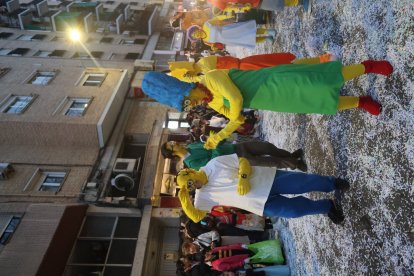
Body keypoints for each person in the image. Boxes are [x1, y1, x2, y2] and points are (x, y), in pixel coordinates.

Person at [141, 60, 393, 149]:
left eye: (188, 99)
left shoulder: (212, 78)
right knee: (317, 102)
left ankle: (367, 66)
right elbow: (238, 119)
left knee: (320, 79)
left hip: (276, 80)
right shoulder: (214, 102)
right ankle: (360, 102)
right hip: (275, 100)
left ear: (188, 87)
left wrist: (225, 129)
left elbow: (237, 100)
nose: (194, 104)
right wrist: (220, 137)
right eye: (188, 105)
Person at [176, 154, 350, 224]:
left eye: (190, 182)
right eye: (189, 188)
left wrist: (243, 177)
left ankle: (331, 183)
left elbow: (242, 161)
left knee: (302, 183)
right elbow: (197, 217)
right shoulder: (202, 195)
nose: (194, 187)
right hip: (259, 203)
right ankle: (327, 206)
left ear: (191, 172)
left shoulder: (214, 164)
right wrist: (184, 198)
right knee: (294, 211)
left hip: (268, 180)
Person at [161, 140, 307, 171]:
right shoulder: (191, 163)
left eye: (172, 141)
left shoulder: (191, 145)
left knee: (267, 146)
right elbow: (214, 161)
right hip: (236, 159)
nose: (174, 142)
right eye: (172, 145)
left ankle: (291, 156)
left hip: (235, 147)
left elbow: (210, 144)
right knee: (269, 162)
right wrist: (215, 145)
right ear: (173, 153)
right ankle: (295, 164)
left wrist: (216, 139)